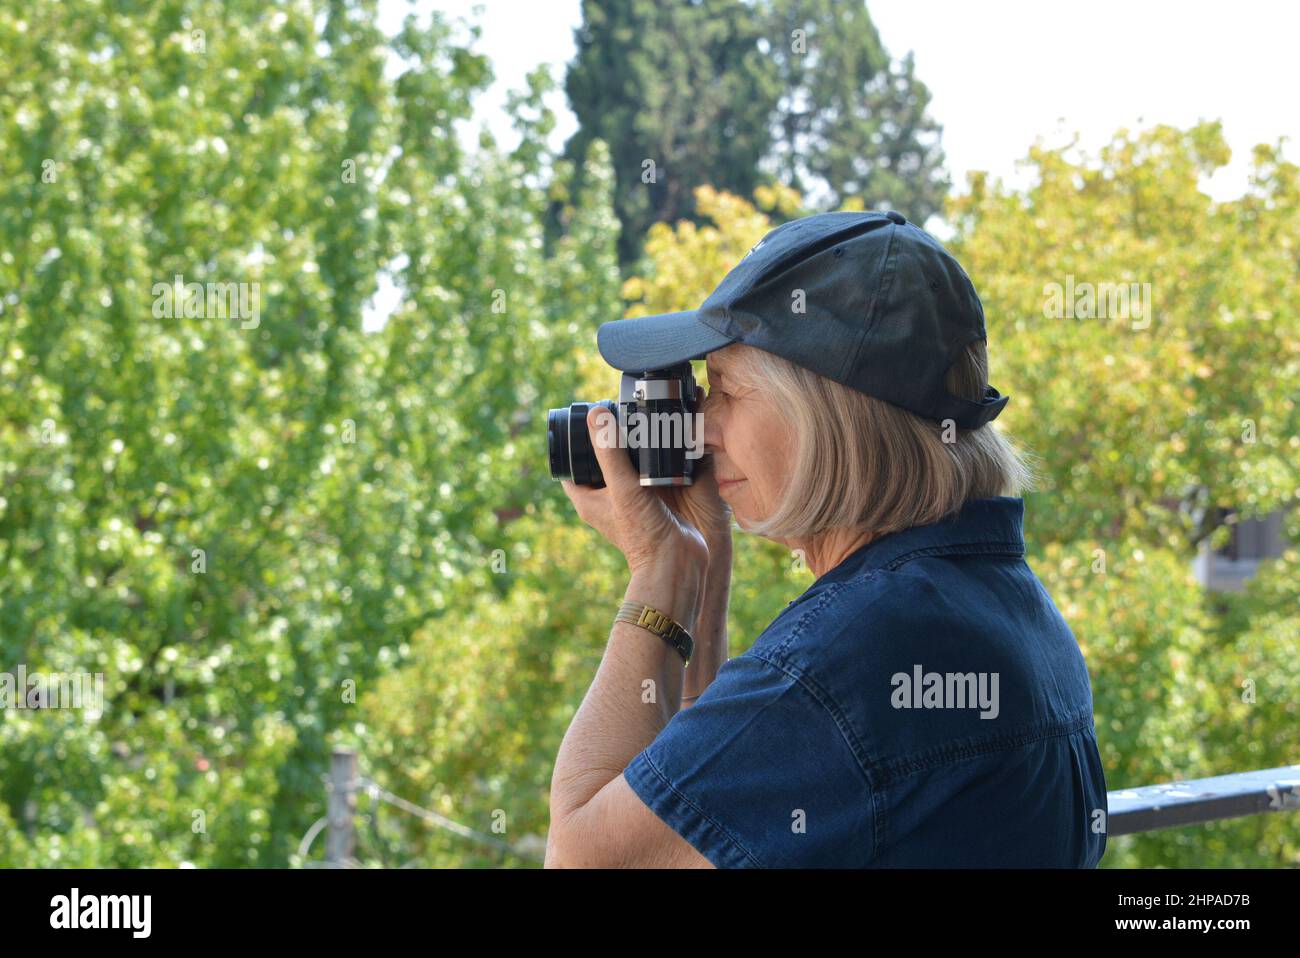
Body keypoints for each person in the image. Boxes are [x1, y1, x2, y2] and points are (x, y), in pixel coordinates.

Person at [545, 210, 1108, 868]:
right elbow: (694, 806)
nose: (698, 428)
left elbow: (587, 860)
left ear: (823, 412)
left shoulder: (857, 655)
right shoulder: (998, 604)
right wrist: (704, 557)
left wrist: (659, 571)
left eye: (722, 388)